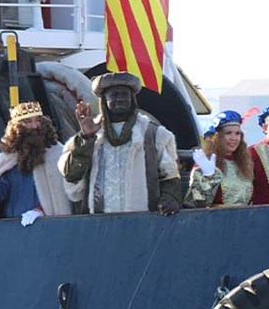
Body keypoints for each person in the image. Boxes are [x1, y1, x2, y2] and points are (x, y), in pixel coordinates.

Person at [58, 71, 182, 215]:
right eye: (114, 95)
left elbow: (170, 176)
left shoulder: (154, 135)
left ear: (132, 98)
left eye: (125, 94)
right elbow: (72, 177)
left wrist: (170, 198)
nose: (120, 99)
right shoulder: (90, 135)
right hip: (99, 222)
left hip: (143, 221)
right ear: (104, 100)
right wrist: (87, 137)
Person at [0, 101, 71, 226]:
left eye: (37, 121)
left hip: (49, 228)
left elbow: (65, 195)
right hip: (14, 229)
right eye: (28, 122)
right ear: (16, 128)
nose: (34, 126)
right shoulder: (6, 160)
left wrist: (41, 211)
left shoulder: (57, 154)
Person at [185, 110, 254, 207]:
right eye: (228, 133)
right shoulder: (205, 162)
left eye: (237, 133)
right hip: (217, 216)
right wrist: (208, 177)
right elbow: (194, 203)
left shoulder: (244, 163)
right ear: (217, 137)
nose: (234, 138)